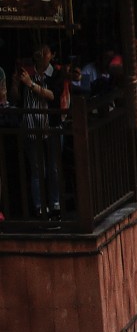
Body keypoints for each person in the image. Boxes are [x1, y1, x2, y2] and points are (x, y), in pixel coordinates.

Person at [16, 44, 69, 217]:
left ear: (51, 55)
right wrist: (15, 82)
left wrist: (31, 84)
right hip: (32, 125)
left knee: (53, 167)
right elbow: (16, 98)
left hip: (51, 125)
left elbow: (52, 95)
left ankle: (55, 203)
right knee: (38, 169)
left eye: (45, 51)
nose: (40, 53)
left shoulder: (56, 74)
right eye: (38, 50)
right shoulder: (27, 72)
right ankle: (39, 206)